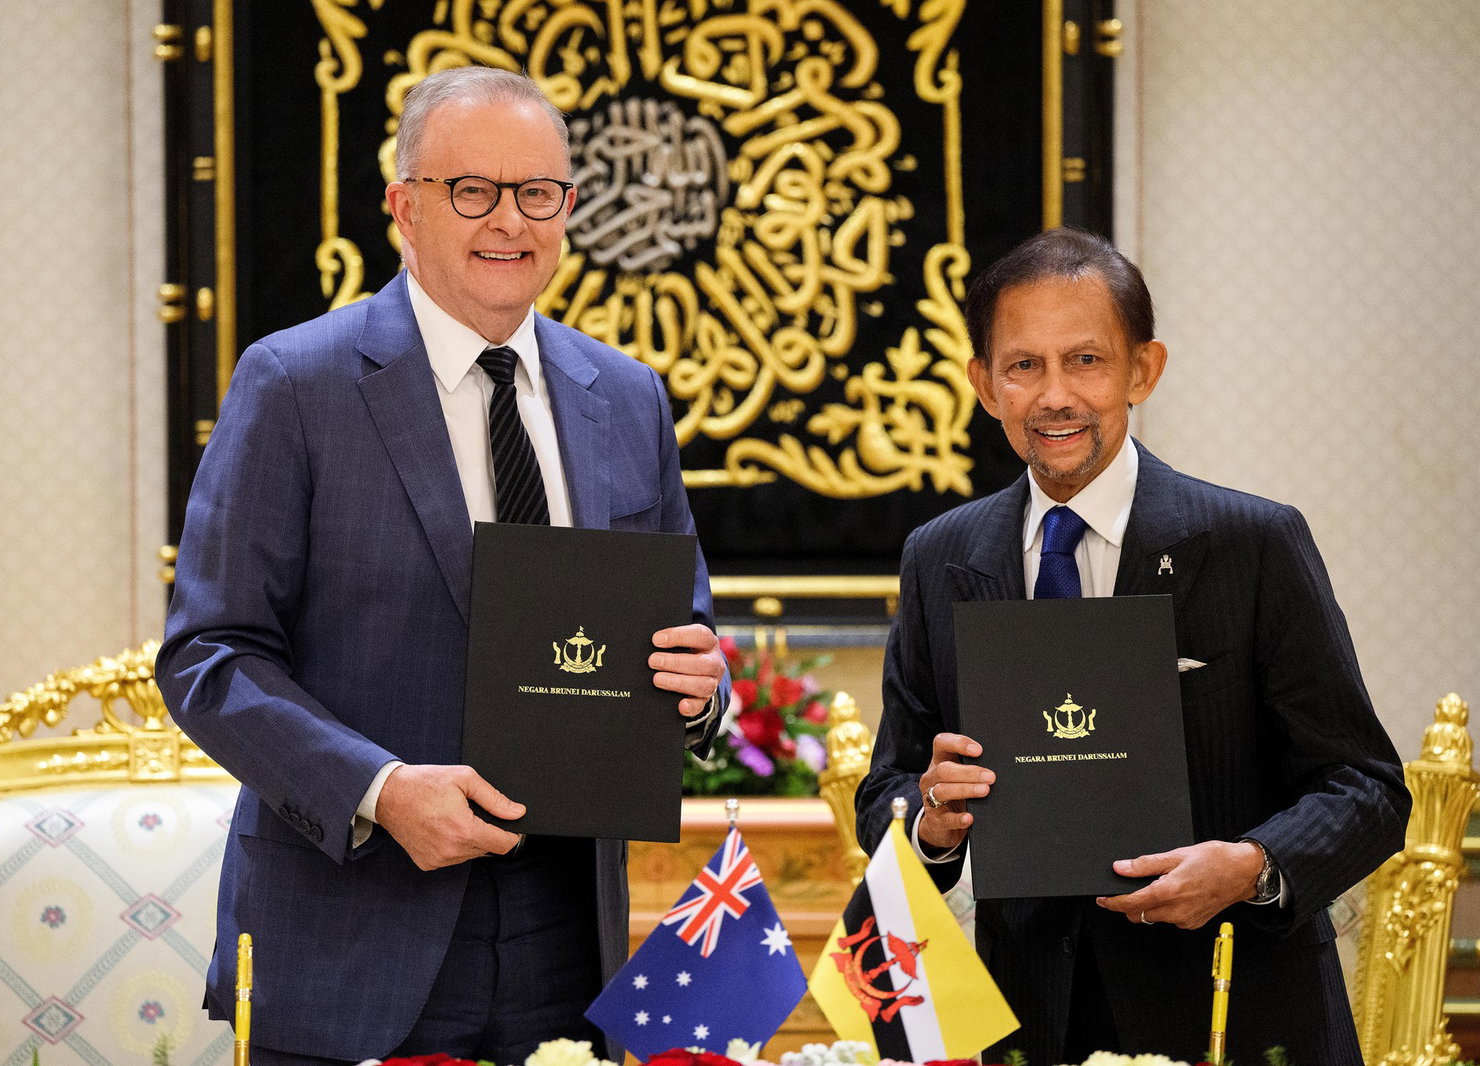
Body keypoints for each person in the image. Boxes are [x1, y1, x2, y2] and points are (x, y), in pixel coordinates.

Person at [158, 67, 727, 1066]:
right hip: (351, 930)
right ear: (402, 208)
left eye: (537, 193)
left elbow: (679, 626)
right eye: (472, 190)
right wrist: (378, 789)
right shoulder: (296, 383)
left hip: (566, 937)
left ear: (569, 209)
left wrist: (696, 685)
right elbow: (209, 654)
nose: (508, 220)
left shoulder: (628, 396)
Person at [855, 227, 1409, 1066]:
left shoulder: (1251, 543)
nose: (1054, 396)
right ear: (983, 384)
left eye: (1086, 361)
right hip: (1030, 1021)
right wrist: (931, 820)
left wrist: (1253, 866)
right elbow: (885, 793)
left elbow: (1368, 788)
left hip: (1232, 1009)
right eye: (1023, 366)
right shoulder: (941, 556)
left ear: (1142, 370)